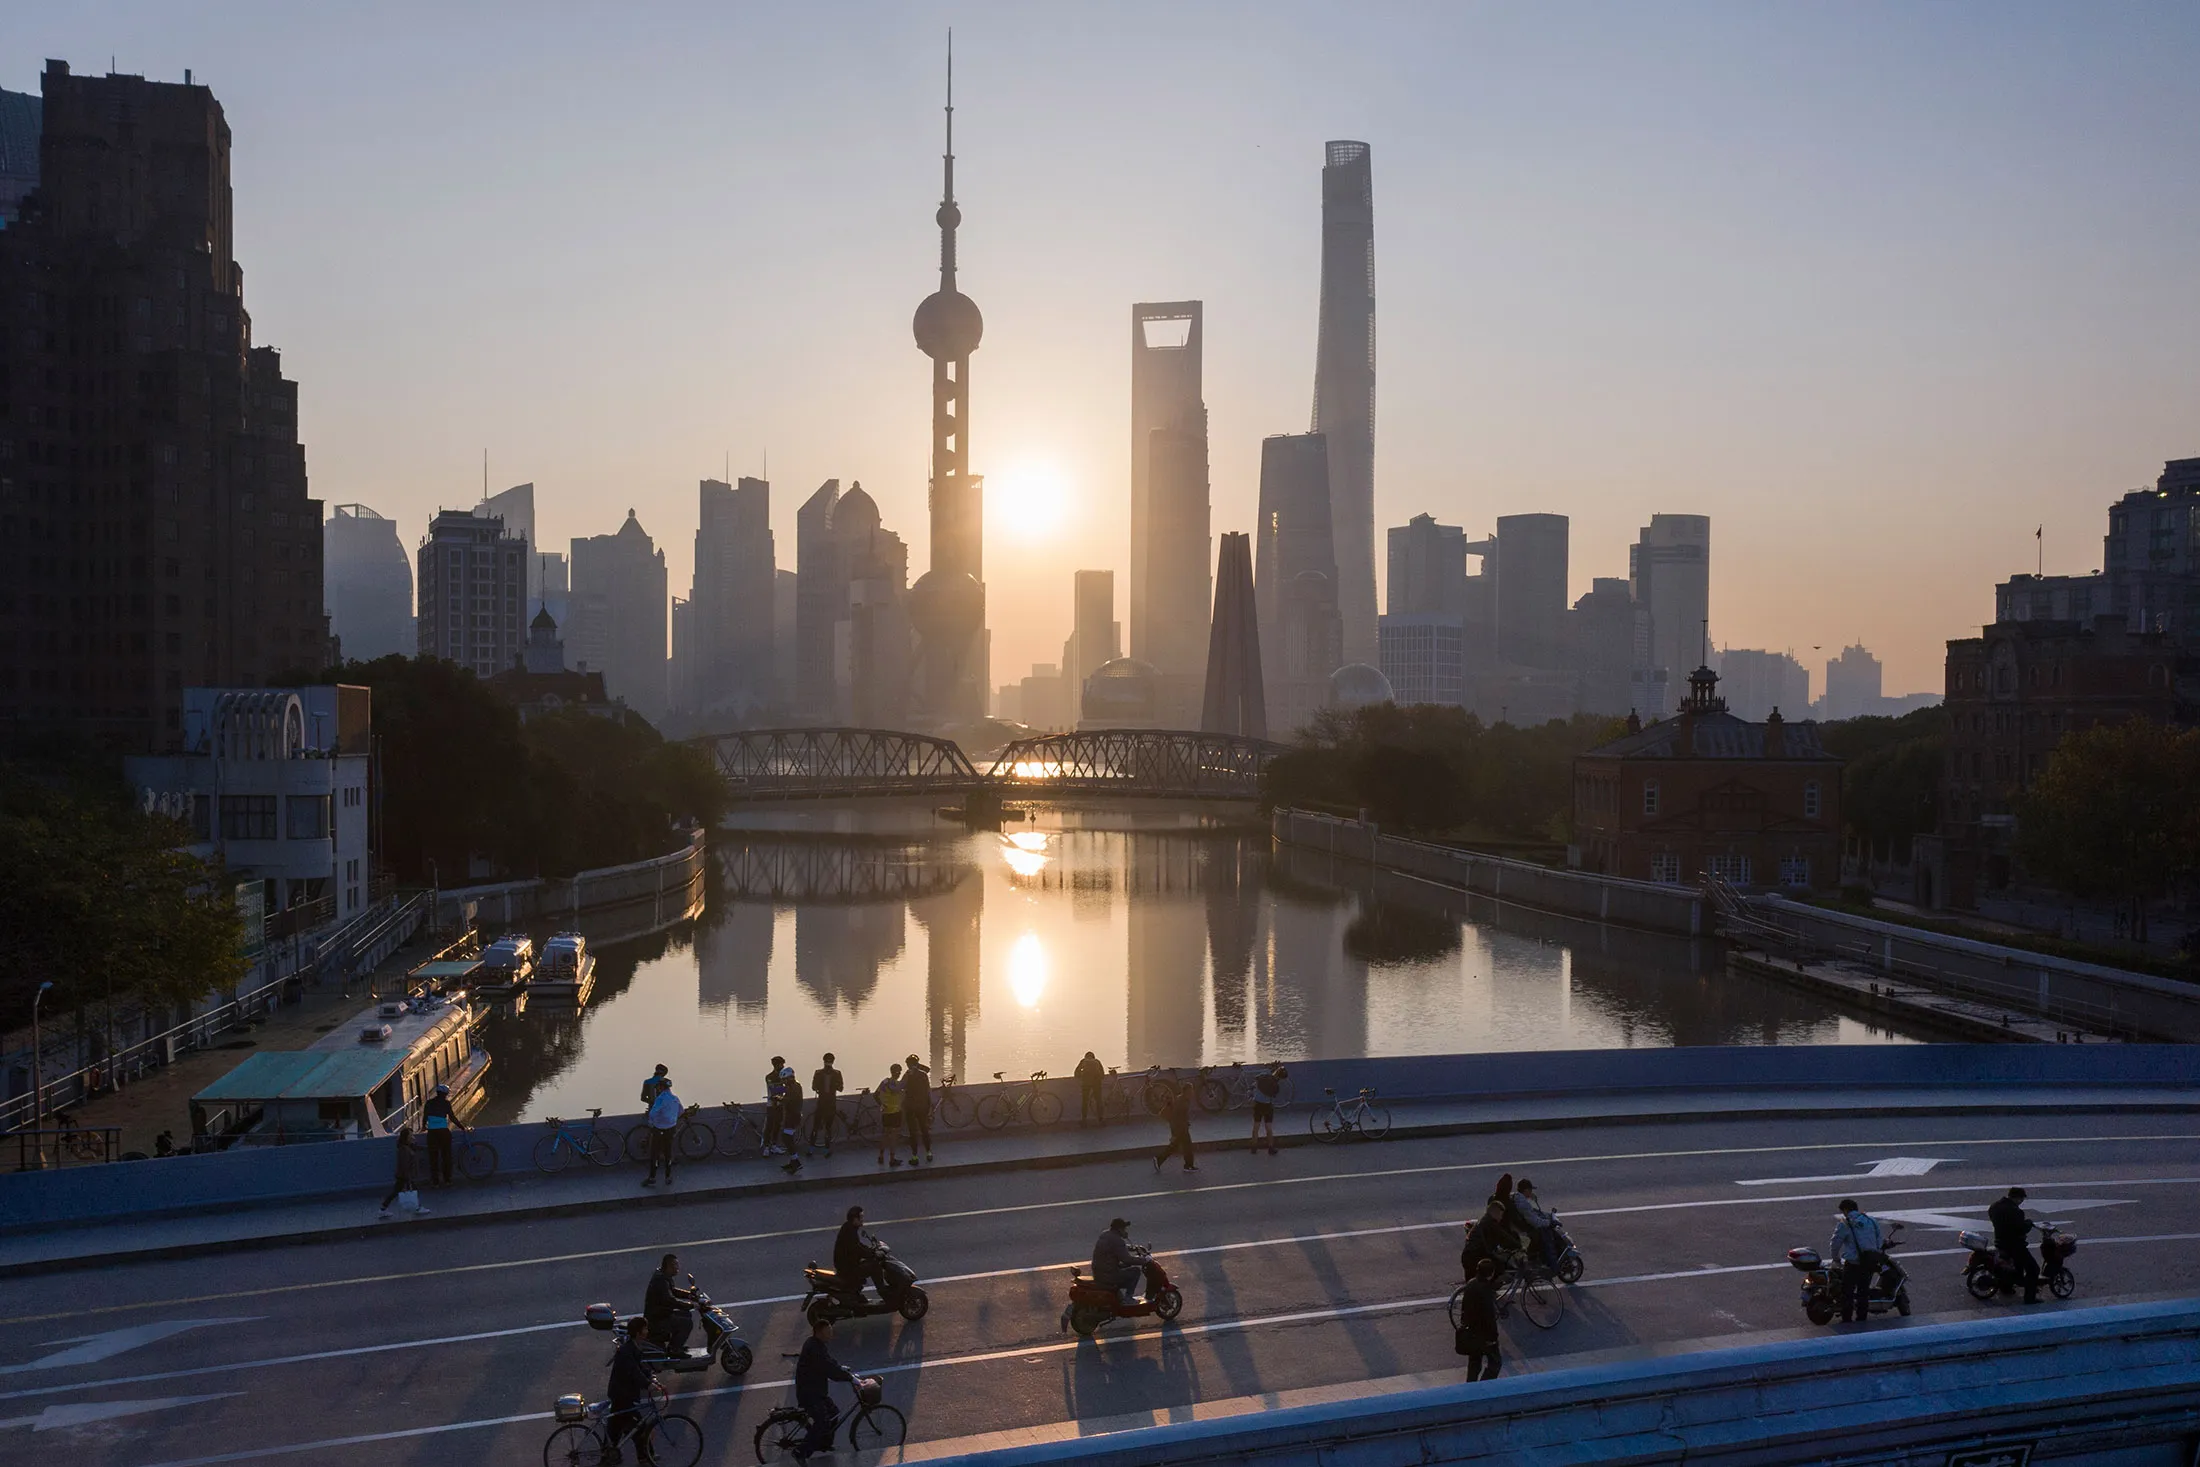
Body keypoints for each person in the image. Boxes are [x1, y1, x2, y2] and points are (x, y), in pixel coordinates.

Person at [793, 1315, 858, 1461]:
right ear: (819, 1332)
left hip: (817, 1390)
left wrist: (841, 1368)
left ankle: (824, 1443)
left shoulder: (817, 1344)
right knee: (822, 1421)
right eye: (828, 1332)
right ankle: (801, 1452)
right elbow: (828, 1369)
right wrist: (849, 1377)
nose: (831, 1335)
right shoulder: (814, 1348)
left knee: (833, 1413)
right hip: (809, 1393)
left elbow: (829, 1362)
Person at [605, 1315, 655, 1463]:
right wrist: (648, 1384)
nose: (647, 1331)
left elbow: (640, 1369)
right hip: (622, 1396)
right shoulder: (627, 1351)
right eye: (645, 1328)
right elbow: (634, 1372)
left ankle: (611, 1454)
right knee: (639, 1426)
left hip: (622, 1395)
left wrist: (651, 1378)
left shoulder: (633, 1347)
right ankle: (644, 1457)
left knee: (618, 1428)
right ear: (639, 1332)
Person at [1830, 1199, 1887, 1324]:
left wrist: (1835, 1258)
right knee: (1863, 1292)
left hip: (1853, 1263)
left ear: (1845, 1210)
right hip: (1869, 1263)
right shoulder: (1871, 1220)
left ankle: (1847, 1320)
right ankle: (1862, 1319)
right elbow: (1879, 1241)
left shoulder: (1845, 1223)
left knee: (1848, 1292)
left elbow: (1835, 1243)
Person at [1988, 1186, 2043, 1304]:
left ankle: (2006, 1288)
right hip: (2015, 1245)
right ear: (2017, 1198)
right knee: (2033, 1269)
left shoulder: (1995, 1206)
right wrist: (2028, 1223)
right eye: (2022, 1199)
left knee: (2015, 1267)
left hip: (2000, 1242)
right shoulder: (2016, 1211)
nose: (2022, 1202)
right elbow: (2020, 1229)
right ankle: (2030, 1297)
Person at [1455, 1256, 1502, 1380]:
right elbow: (1489, 1316)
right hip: (1484, 1334)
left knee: (1475, 1362)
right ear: (1491, 1274)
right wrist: (1493, 1337)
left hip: (1471, 1332)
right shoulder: (1486, 1290)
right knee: (1495, 1363)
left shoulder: (1471, 1284)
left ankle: (1471, 1387)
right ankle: (1484, 1386)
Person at [644, 1252, 696, 1354]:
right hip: (657, 1319)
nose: (678, 1267)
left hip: (661, 1314)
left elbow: (673, 1291)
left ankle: (676, 1344)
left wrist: (689, 1295)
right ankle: (674, 1349)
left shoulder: (663, 1276)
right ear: (668, 1266)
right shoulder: (660, 1280)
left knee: (686, 1314)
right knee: (686, 1323)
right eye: (675, 1265)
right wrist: (691, 1305)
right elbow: (670, 1300)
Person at [1509, 1178, 1561, 1270]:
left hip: (1521, 1226)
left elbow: (1535, 1213)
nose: (1531, 1192)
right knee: (1547, 1238)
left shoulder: (1517, 1197)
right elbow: (1535, 1221)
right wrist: (1549, 1223)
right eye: (1530, 1190)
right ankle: (1551, 1264)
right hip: (1526, 1230)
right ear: (1526, 1190)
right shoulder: (1523, 1203)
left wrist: (1548, 1216)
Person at [1092, 1217, 1145, 1305]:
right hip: (1107, 1275)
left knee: (1124, 1267)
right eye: (1124, 1229)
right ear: (1119, 1229)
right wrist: (1144, 1260)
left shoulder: (1105, 1234)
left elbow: (1114, 1247)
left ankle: (1118, 1296)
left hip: (1100, 1272)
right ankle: (1128, 1298)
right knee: (1135, 1271)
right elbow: (1127, 1260)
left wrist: (1130, 1247)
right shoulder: (1117, 1240)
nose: (1126, 1231)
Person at [834, 1204, 883, 1297]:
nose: (862, 1219)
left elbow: (858, 1246)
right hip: (847, 1269)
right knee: (875, 1266)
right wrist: (873, 1253)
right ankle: (883, 1292)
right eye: (861, 1217)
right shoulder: (849, 1231)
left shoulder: (849, 1228)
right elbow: (856, 1250)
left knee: (870, 1263)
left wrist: (870, 1250)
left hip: (847, 1265)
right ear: (855, 1219)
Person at [421, 1082, 465, 1185]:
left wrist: (424, 1126)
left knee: (433, 1157)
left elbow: (425, 1117)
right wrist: (462, 1127)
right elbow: (452, 1118)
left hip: (432, 1133)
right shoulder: (446, 1103)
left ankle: (435, 1181)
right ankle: (447, 1180)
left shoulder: (429, 1103)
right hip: (443, 1132)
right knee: (446, 1156)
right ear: (445, 1094)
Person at [642, 1075, 682, 1187]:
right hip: (671, 1128)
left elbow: (653, 1113)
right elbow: (681, 1111)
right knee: (668, 1152)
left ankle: (652, 1177)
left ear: (660, 1087)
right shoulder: (675, 1098)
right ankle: (668, 1176)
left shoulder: (660, 1099)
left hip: (659, 1129)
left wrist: (652, 1122)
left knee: (655, 1153)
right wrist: (672, 1119)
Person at [378, 1126, 424, 1218]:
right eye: (411, 1136)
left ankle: (383, 1208)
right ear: (406, 1137)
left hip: (403, 1175)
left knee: (396, 1192)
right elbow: (405, 1165)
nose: (413, 1138)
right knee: (411, 1191)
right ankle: (417, 1208)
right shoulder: (404, 1150)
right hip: (405, 1176)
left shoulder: (405, 1147)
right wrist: (408, 1178)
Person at [1153, 1080, 1197, 1173]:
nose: (1192, 1093)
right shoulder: (1183, 1103)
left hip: (1180, 1127)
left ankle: (1159, 1160)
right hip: (1180, 1128)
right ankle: (1188, 1166)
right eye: (1191, 1091)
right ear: (1186, 1091)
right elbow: (1176, 1118)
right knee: (1187, 1146)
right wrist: (1175, 1133)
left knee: (1175, 1146)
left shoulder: (1181, 1099)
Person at [809, 1053, 844, 1155]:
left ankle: (819, 1149)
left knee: (824, 1127)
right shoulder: (834, 1073)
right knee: (821, 1127)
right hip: (826, 1103)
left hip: (826, 1103)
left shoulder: (821, 1073)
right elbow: (814, 1087)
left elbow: (840, 1087)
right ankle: (819, 1149)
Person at [1250, 1063, 1287, 1156]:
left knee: (1256, 1126)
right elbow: (1273, 1096)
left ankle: (1254, 1147)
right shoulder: (1276, 1086)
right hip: (1267, 1105)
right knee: (1268, 1127)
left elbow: (1255, 1082)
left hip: (1257, 1104)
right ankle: (1270, 1148)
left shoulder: (1263, 1076)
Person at [875, 1063, 908, 1167]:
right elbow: (899, 1090)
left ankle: (880, 1156)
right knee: (893, 1137)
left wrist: (881, 1104)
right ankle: (892, 1159)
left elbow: (875, 1095)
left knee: (885, 1135)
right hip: (895, 1113)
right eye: (899, 1071)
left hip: (885, 1113)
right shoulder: (896, 1084)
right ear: (897, 1072)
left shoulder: (884, 1082)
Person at [904, 1054, 934, 1164]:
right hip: (923, 1107)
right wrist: (930, 1106)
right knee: (924, 1130)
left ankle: (914, 1156)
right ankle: (929, 1153)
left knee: (913, 1132)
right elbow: (928, 1092)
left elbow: (901, 1086)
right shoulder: (924, 1075)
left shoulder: (907, 1075)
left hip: (910, 1107)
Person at [779, 1066, 806, 1174]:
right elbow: (782, 1090)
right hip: (791, 1116)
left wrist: (779, 1099)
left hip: (793, 1116)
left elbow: (788, 1099)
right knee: (788, 1138)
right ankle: (792, 1161)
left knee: (787, 1138)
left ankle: (796, 1162)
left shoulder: (794, 1087)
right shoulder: (794, 1086)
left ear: (789, 1078)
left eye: (784, 1080)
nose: (784, 1082)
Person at [763, 1056, 788, 1156]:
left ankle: (774, 1145)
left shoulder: (784, 1076)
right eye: (781, 1064)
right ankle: (766, 1147)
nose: (783, 1066)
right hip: (771, 1105)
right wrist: (785, 1088)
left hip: (780, 1105)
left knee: (777, 1125)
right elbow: (774, 1090)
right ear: (776, 1065)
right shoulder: (769, 1077)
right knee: (769, 1126)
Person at [1074, 1051, 1106, 1125]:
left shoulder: (1083, 1061)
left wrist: (1081, 1077)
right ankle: (1101, 1120)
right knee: (1098, 1101)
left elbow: (1076, 1073)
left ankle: (1084, 1120)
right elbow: (1102, 1075)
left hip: (1086, 1083)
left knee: (1085, 1101)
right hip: (1096, 1082)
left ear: (1086, 1056)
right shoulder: (1097, 1061)